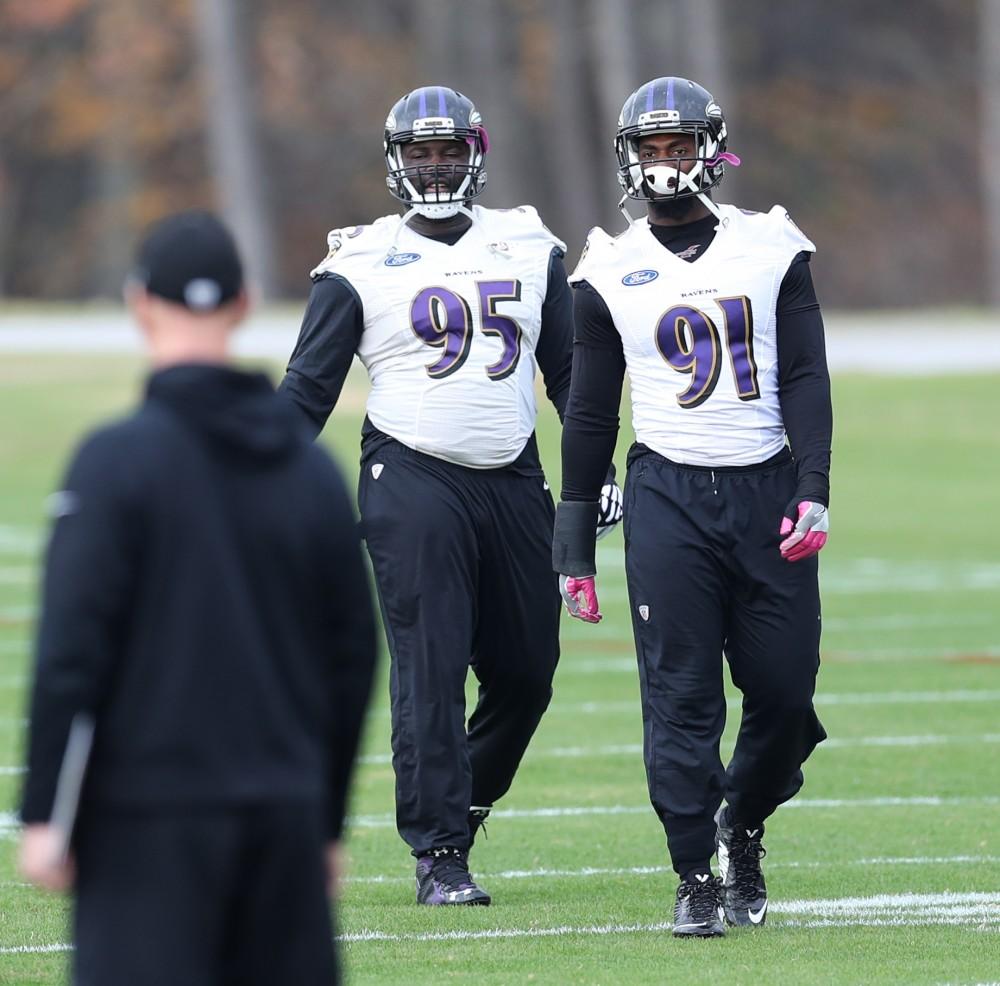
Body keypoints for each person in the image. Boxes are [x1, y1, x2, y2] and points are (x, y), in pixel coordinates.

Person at [279, 85, 621, 906]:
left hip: (513, 477)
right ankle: (438, 852)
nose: (436, 165)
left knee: (529, 669)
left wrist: (597, 470)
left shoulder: (527, 242)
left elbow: (573, 376)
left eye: (449, 149)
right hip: (411, 473)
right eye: (420, 151)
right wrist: (247, 473)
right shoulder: (359, 259)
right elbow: (305, 390)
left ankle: (462, 804)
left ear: (477, 151)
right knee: (430, 667)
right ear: (395, 161)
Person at [18, 210, 377, 984]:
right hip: (281, 814)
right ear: (245, 304)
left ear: (138, 303)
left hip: (146, 819)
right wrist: (325, 820)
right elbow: (352, 657)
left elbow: (71, 651)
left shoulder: (114, 463)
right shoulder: (310, 473)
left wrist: (46, 811)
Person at [553, 77, 832, 938]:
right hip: (668, 491)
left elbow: (803, 375)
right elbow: (592, 408)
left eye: (679, 147)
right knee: (679, 696)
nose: (664, 164)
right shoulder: (605, 269)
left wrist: (816, 487)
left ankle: (742, 823)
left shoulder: (770, 246)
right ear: (628, 158)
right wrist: (572, 542)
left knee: (784, 695)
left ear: (712, 148)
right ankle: (695, 873)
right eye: (651, 149)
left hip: (767, 486)